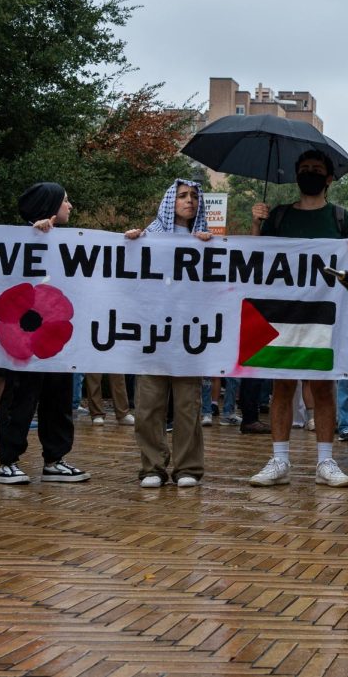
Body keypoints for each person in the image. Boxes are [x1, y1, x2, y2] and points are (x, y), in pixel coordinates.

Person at [247, 149, 348, 488]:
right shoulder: (279, 217)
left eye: (316, 169)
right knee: (281, 385)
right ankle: (279, 459)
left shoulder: (342, 218)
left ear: (329, 178)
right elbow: (255, 261)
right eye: (303, 168)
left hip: (325, 315)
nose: (309, 173)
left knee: (322, 386)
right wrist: (257, 225)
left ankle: (325, 461)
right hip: (281, 314)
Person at [0, 183, 90, 485]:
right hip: (25, 338)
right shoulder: (20, 240)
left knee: (59, 396)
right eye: (65, 200)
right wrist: (33, 235)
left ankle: (55, 459)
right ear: (49, 206)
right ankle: (7, 461)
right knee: (21, 396)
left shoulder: (69, 241)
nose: (70, 206)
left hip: (57, 338)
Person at [124, 180, 212, 487]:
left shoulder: (206, 241)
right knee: (148, 403)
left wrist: (208, 246)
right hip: (152, 330)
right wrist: (132, 242)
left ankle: (188, 468)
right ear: (170, 202)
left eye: (194, 197)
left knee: (188, 405)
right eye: (183, 196)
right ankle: (152, 467)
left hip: (189, 334)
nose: (189, 201)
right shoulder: (148, 237)